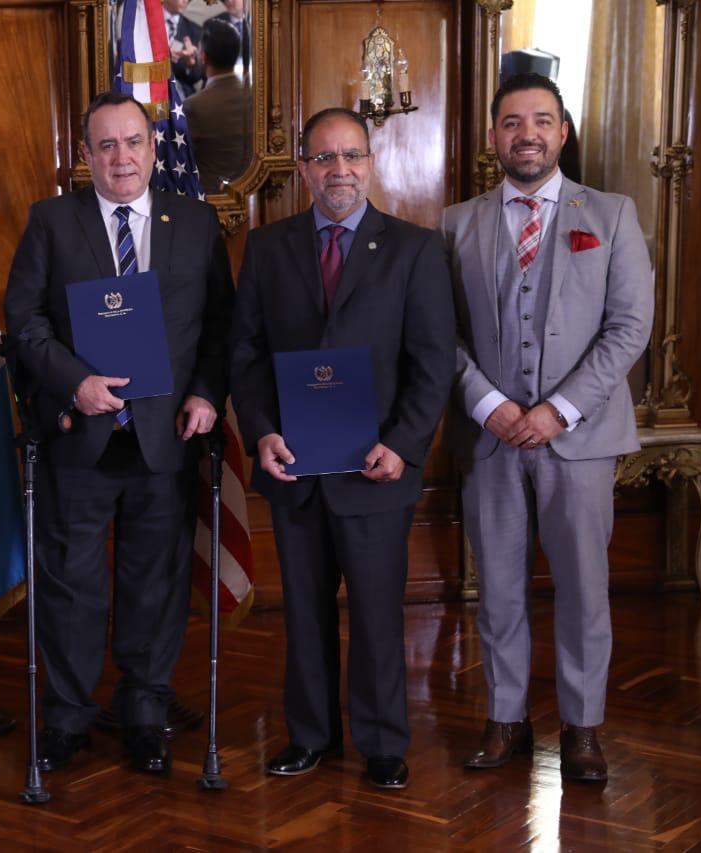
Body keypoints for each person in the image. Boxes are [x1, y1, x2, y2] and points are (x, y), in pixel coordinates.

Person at [3, 91, 233, 775]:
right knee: (72, 582)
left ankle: (143, 709)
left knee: (155, 581)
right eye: (105, 145)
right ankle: (69, 716)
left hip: (166, 435)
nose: (121, 157)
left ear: (153, 146)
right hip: (82, 432)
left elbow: (221, 324)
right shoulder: (51, 222)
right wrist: (76, 381)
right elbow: (26, 320)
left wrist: (206, 393)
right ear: (85, 155)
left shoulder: (194, 222)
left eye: (132, 141)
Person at [230, 108, 455, 790]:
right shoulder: (268, 248)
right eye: (324, 158)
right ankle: (312, 736)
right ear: (302, 169)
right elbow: (245, 353)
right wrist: (262, 429)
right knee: (303, 611)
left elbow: (433, 361)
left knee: (379, 614)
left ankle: (384, 743)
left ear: (371, 163)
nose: (339, 171)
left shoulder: (414, 250)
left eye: (351, 156)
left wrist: (404, 445)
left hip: (375, 470)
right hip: (294, 467)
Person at [441, 72, 653, 783]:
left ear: (562, 132)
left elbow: (629, 328)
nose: (525, 133)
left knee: (584, 587)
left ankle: (582, 726)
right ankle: (506, 719)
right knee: (497, 586)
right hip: (490, 437)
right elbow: (440, 334)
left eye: (540, 120)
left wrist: (556, 408)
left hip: (582, 438)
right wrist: (488, 404)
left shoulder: (614, 215)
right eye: (511, 122)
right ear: (494, 136)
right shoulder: (456, 223)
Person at [184, 19, 250, 193]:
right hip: (254, 198)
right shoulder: (256, 98)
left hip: (213, 203)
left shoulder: (194, 106)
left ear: (203, 56)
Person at [162, 0, 203, 94]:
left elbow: (196, 77)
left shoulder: (195, 30)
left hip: (181, 94)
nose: (186, 1)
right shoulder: (146, 23)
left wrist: (190, 65)